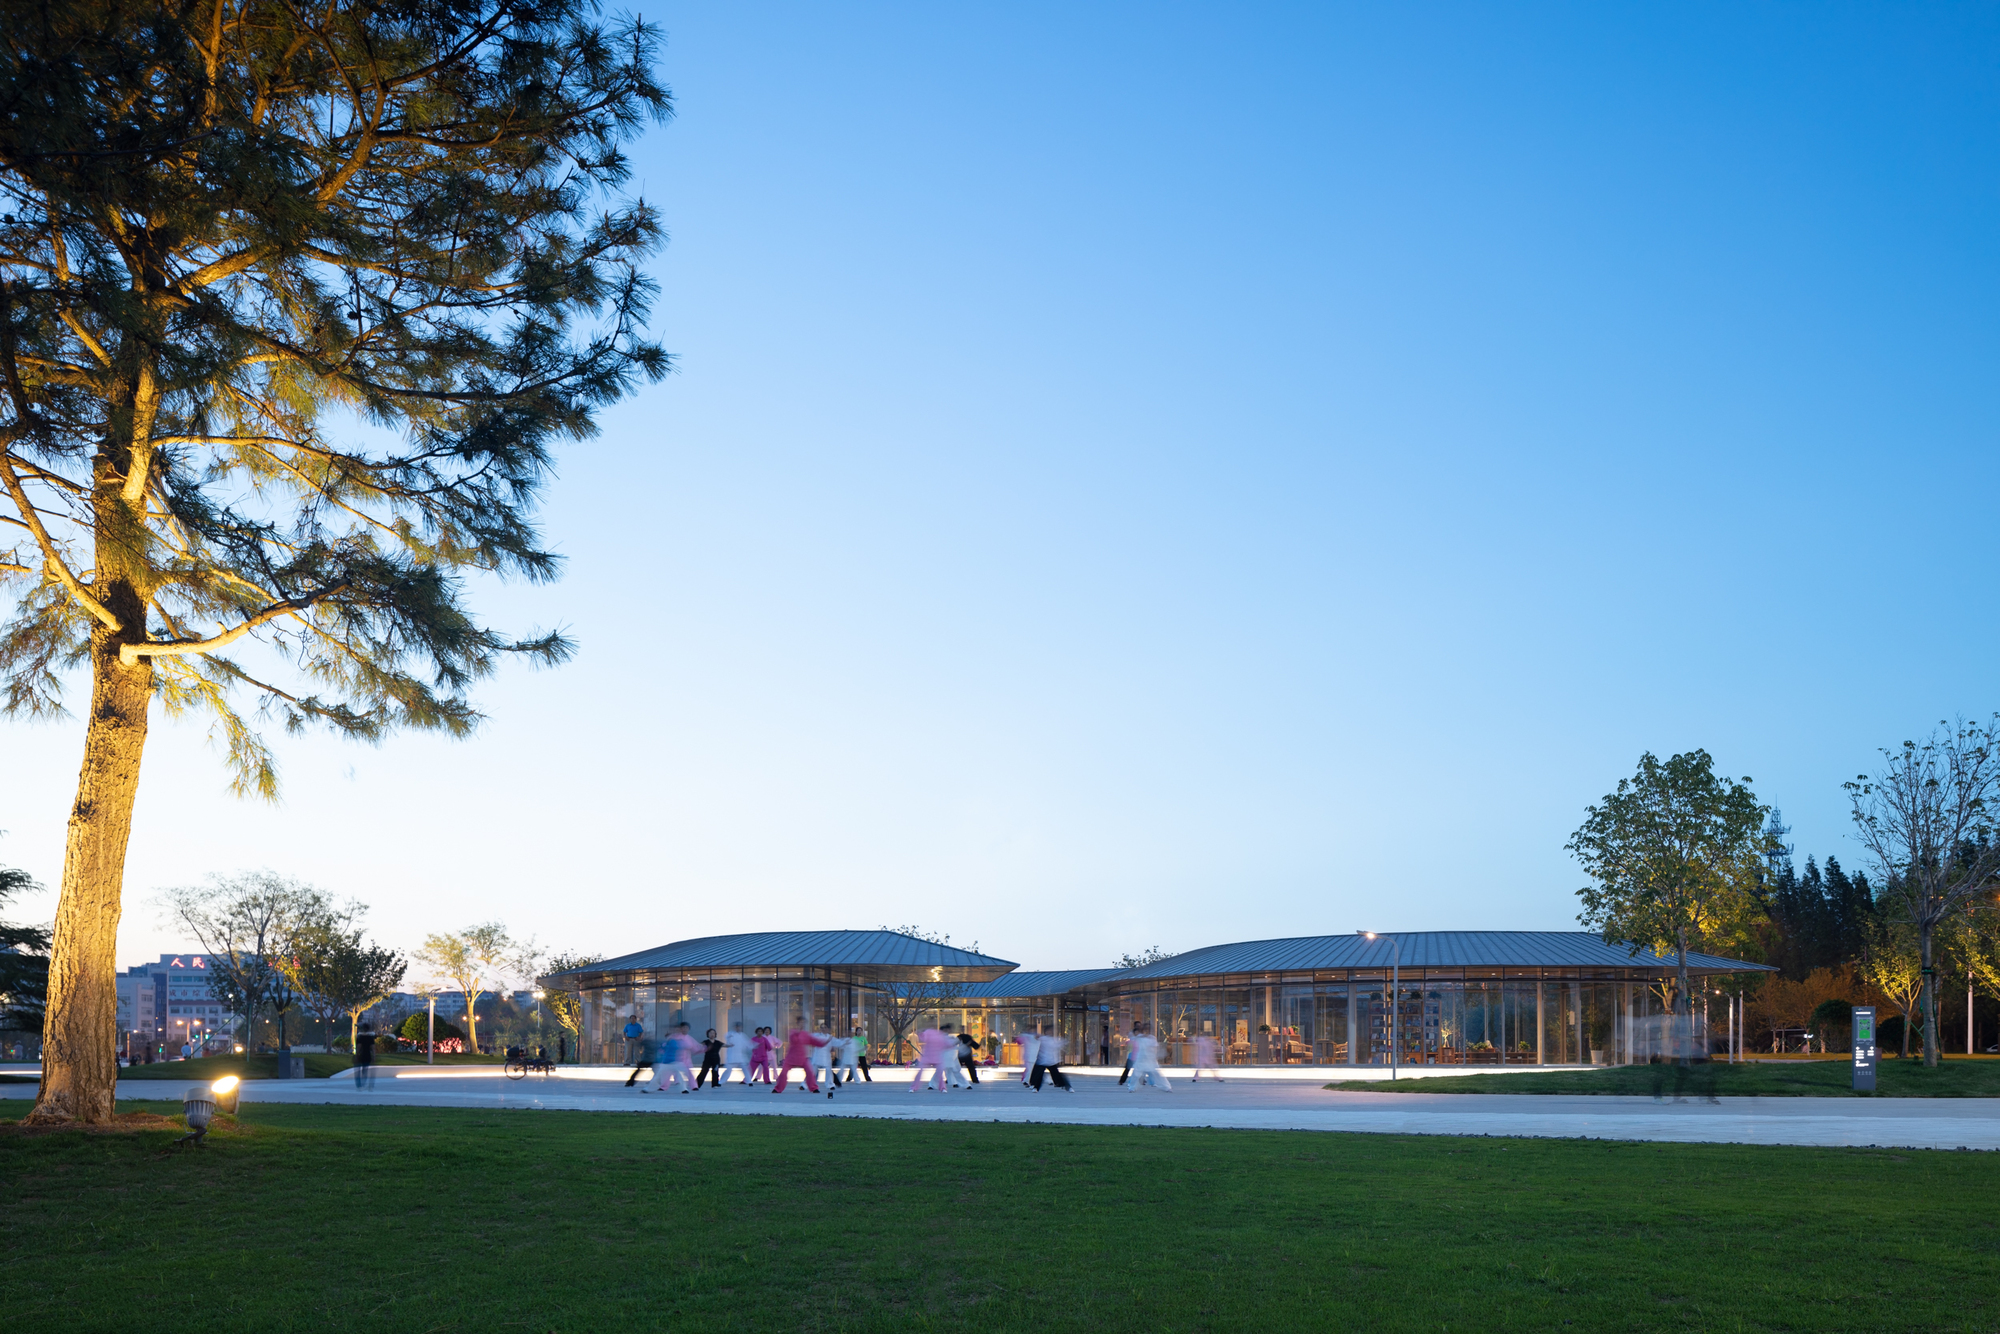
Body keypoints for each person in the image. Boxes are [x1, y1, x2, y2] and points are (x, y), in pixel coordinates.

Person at [774, 1026, 832, 1095]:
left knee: (810, 1072)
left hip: (802, 1058)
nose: (801, 1025)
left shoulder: (805, 1034)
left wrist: (825, 1042)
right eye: (799, 1023)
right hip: (791, 1057)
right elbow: (793, 1039)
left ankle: (814, 1088)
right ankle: (778, 1089)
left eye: (802, 1023)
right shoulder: (792, 1032)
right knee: (783, 1073)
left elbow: (814, 1041)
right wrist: (797, 1033)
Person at [1127, 1021, 1171, 1091]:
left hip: (1150, 1059)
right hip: (1141, 1058)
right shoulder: (1139, 1037)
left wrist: (1155, 1056)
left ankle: (1166, 1087)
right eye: (1145, 1029)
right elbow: (1133, 1041)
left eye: (1147, 1029)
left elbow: (1155, 1048)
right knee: (1136, 1073)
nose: (1146, 1031)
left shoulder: (1152, 1038)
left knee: (1156, 1074)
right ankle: (1132, 1087)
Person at [911, 1024, 954, 1092]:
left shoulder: (936, 1034)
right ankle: (913, 1087)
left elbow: (923, 1038)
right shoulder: (935, 1033)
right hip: (932, 1057)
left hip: (932, 1057)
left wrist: (920, 1033)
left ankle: (942, 1088)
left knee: (938, 1073)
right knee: (937, 1073)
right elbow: (947, 1044)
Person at [622, 1014, 650, 1087]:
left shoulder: (638, 1026)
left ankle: (638, 1061)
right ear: (630, 1019)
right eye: (631, 1018)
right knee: (628, 1051)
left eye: (634, 1018)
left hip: (635, 1039)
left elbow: (641, 1032)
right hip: (629, 1039)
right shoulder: (627, 1025)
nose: (633, 1020)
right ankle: (627, 1062)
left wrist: (639, 1037)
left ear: (635, 1019)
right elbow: (624, 1032)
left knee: (637, 1051)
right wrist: (625, 1037)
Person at [353, 1022, 377, 1090]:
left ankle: (359, 1085)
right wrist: (374, 1056)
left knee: (358, 1070)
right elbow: (373, 1048)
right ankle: (363, 1083)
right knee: (365, 1070)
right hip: (367, 1055)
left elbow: (359, 1047)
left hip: (361, 1055)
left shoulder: (360, 1037)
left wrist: (356, 1055)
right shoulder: (370, 1038)